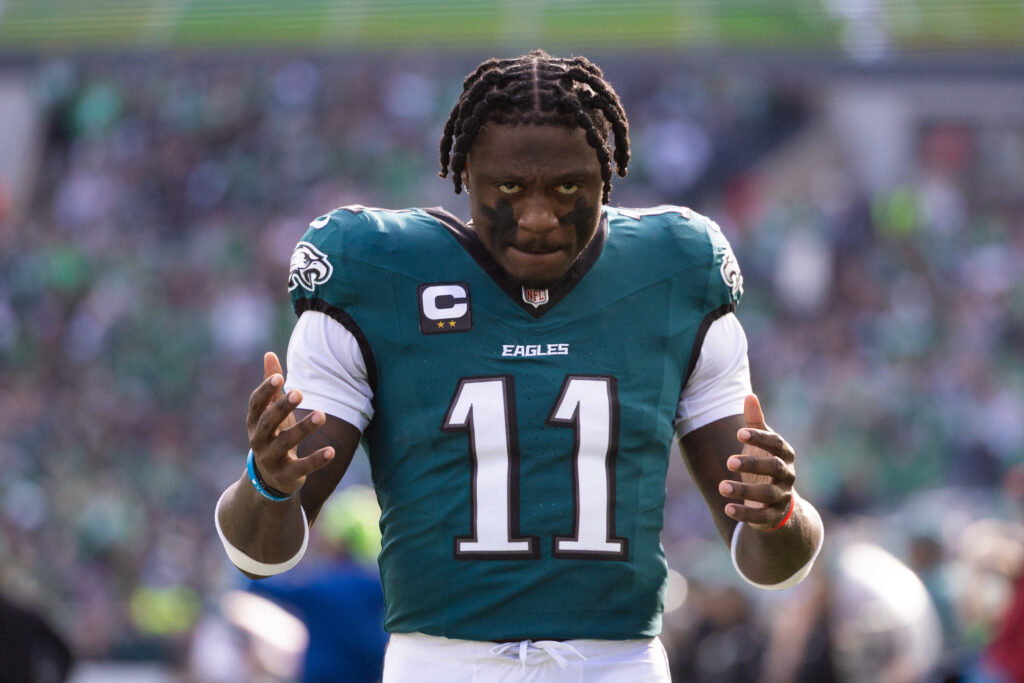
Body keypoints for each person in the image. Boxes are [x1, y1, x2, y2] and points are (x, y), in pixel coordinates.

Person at [214, 49, 824, 681]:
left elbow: (773, 565)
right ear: (466, 174)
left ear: (606, 176)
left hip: (614, 664)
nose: (537, 217)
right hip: (441, 664)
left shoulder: (674, 272)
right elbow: (261, 557)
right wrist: (267, 485)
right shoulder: (377, 274)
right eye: (509, 188)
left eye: (568, 187)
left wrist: (780, 511)